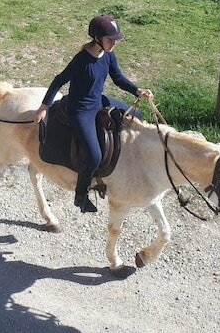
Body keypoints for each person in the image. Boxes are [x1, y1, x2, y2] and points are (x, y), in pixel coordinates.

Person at [34, 15, 154, 214]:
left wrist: (137, 90)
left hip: (98, 101)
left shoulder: (108, 55)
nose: (114, 43)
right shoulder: (82, 60)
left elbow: (118, 78)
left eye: (116, 39)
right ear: (97, 38)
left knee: (137, 116)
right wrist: (44, 106)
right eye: (110, 39)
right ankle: (80, 196)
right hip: (80, 110)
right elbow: (58, 80)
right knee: (94, 156)